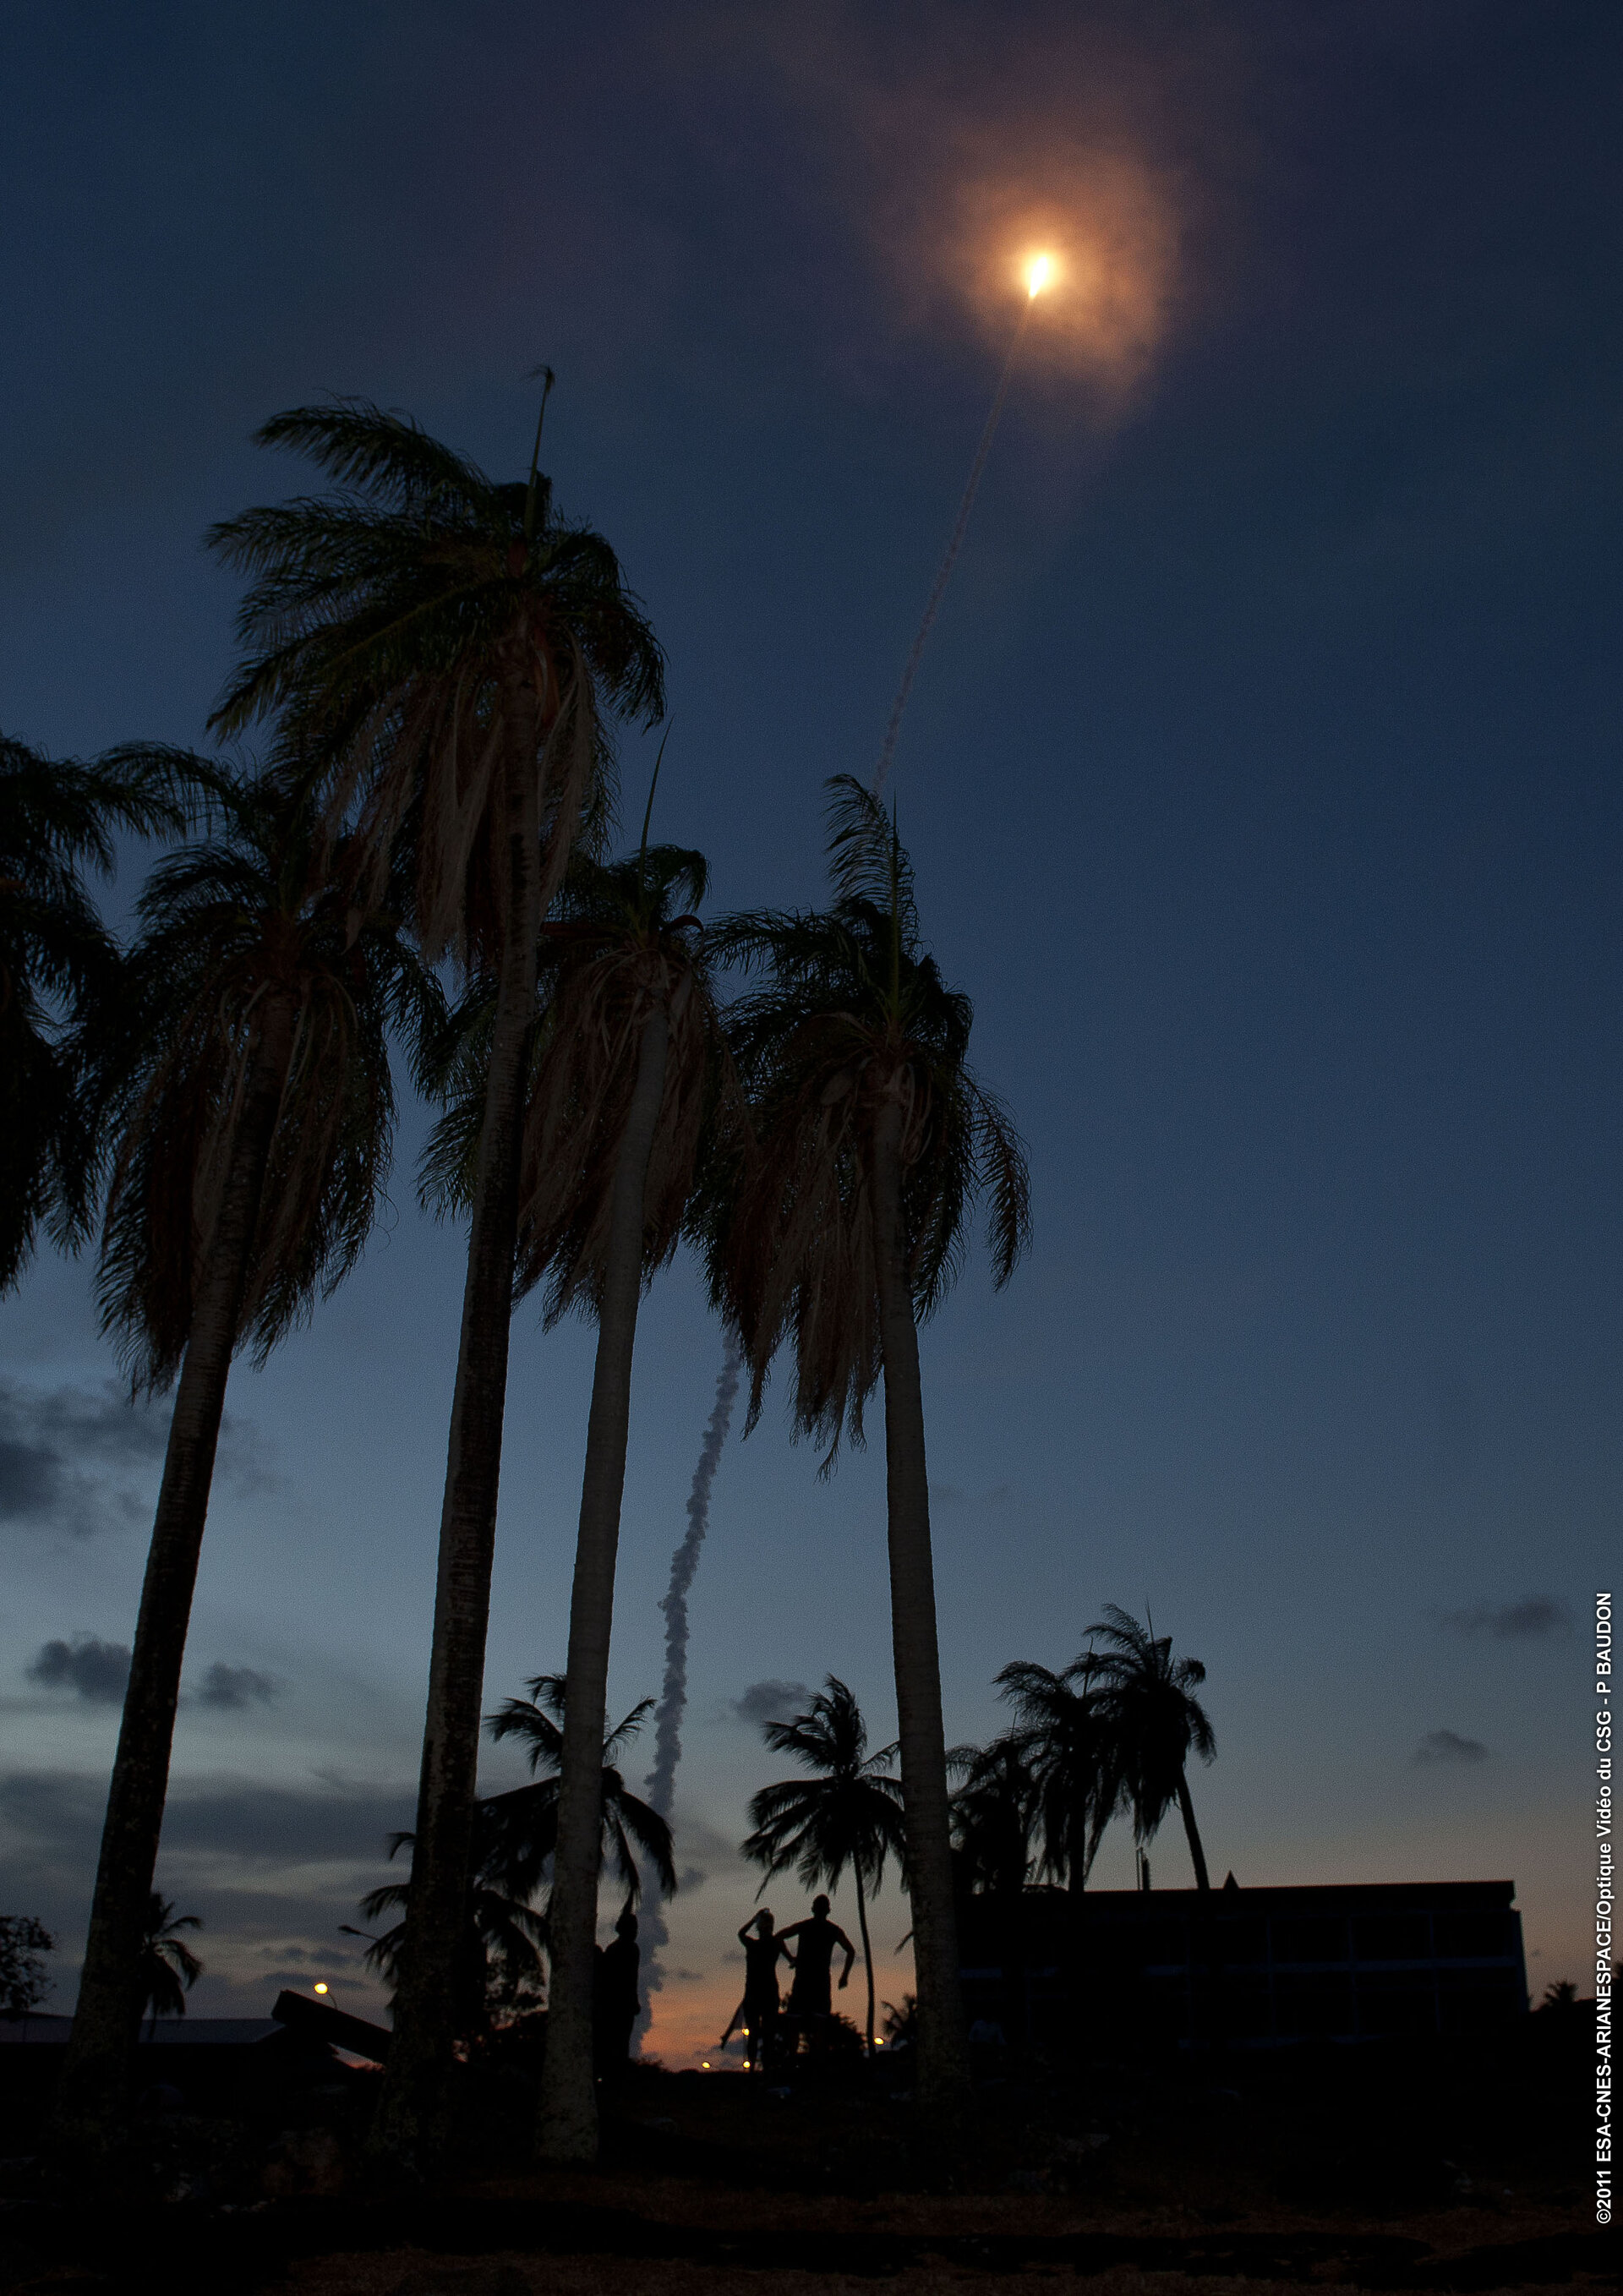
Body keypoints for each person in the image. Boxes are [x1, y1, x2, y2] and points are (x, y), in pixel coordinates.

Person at [776, 1894, 854, 2051]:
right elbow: (850, 1951)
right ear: (828, 1911)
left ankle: (798, 2060)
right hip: (818, 1980)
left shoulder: (807, 1927)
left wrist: (791, 1958)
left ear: (814, 1909)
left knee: (798, 2023)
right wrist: (844, 1976)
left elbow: (779, 1936)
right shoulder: (832, 1930)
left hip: (808, 1980)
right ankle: (814, 2063)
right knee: (814, 2024)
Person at [720, 1908, 794, 2070]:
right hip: (764, 1993)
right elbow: (792, 1961)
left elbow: (740, 1933)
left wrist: (754, 1919)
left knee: (756, 2032)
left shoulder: (755, 1944)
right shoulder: (775, 1943)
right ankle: (763, 2067)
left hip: (755, 1993)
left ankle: (754, 2067)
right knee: (766, 2032)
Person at [593, 1908, 641, 2080]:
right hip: (615, 2004)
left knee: (619, 2041)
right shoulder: (621, 1950)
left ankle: (615, 2074)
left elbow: (630, 1979)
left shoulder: (625, 1949)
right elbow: (624, 1979)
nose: (635, 1933)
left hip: (620, 2004)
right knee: (615, 2041)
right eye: (632, 1929)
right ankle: (612, 2075)